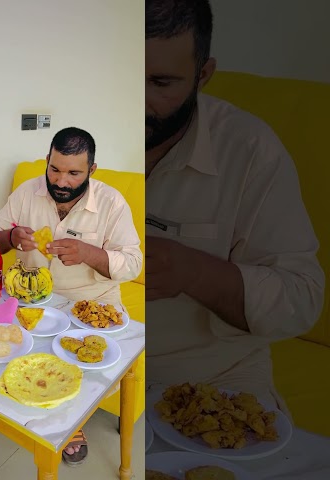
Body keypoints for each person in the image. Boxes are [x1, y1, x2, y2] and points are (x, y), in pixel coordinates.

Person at [145, 0, 325, 414]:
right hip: (89, 356)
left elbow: (302, 299)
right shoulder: (83, 129)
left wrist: (196, 272)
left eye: (161, 82)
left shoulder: (250, 151)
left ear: (203, 76)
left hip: (213, 378)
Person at [0, 126, 142, 465]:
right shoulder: (27, 192)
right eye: (54, 169)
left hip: (92, 303)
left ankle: (69, 419)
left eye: (73, 173)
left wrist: (89, 253)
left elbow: (133, 264)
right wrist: (11, 237)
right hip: (32, 299)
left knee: (93, 362)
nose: (61, 182)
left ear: (91, 170)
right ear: (47, 161)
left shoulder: (111, 202)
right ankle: (25, 398)